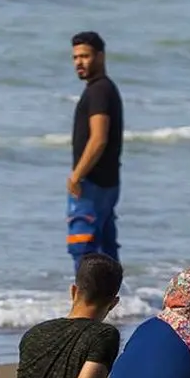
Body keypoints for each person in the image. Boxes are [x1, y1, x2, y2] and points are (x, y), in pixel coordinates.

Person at [66, 31, 123, 271]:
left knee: (83, 247)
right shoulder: (104, 89)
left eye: (85, 56)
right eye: (75, 57)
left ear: (100, 56)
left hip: (92, 184)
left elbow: (98, 138)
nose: (79, 62)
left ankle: (85, 304)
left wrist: (77, 175)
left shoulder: (99, 90)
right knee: (106, 249)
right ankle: (111, 301)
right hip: (107, 182)